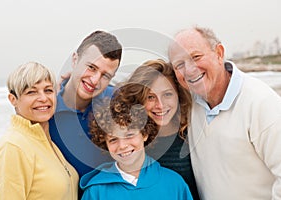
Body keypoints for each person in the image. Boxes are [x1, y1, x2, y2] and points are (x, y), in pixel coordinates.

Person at [168, 26, 281, 199]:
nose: (189, 70)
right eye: (179, 64)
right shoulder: (190, 103)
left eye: (196, 57)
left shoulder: (261, 103)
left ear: (219, 53)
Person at [0, 62, 79, 200]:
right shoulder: (13, 147)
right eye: (31, 92)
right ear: (13, 99)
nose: (43, 98)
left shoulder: (46, 141)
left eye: (48, 90)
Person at [49, 30, 122, 197]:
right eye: (91, 67)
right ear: (75, 60)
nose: (95, 80)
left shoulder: (116, 101)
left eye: (105, 75)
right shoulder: (47, 110)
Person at [79, 93, 193, 200]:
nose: (122, 146)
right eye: (113, 139)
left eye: (129, 135)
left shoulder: (174, 184)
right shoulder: (95, 192)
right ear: (105, 144)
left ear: (144, 134)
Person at [114, 59, 200, 199]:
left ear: (179, 95)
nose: (160, 105)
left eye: (167, 94)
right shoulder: (131, 140)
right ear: (139, 99)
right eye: (150, 97)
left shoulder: (193, 132)